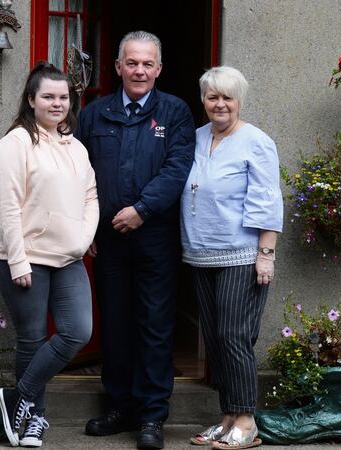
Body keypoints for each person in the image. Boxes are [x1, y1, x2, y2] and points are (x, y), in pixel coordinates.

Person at [76, 31, 195, 450]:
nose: (139, 70)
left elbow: (178, 169)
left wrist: (142, 209)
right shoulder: (94, 113)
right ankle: (121, 407)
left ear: (159, 69)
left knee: (155, 327)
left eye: (147, 64)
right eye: (132, 62)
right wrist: (86, 227)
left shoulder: (175, 112)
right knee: (115, 325)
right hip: (107, 241)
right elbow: (79, 172)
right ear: (118, 67)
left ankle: (151, 416)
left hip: (155, 239)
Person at [0, 62, 99, 448]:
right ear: (31, 99)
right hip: (26, 257)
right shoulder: (15, 143)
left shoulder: (76, 147)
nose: (57, 104)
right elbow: (7, 206)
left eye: (63, 97)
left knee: (77, 332)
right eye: (49, 97)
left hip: (68, 258)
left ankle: (16, 398)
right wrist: (18, 260)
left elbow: (91, 196)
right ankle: (32, 420)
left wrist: (82, 237)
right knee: (32, 339)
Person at [181, 66, 283, 449]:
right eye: (212, 97)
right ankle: (227, 416)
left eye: (227, 97)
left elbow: (267, 201)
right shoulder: (195, 138)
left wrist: (266, 255)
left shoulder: (256, 142)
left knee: (234, 335)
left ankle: (247, 419)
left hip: (241, 254)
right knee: (214, 337)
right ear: (203, 101)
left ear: (240, 101)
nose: (219, 104)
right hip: (200, 252)